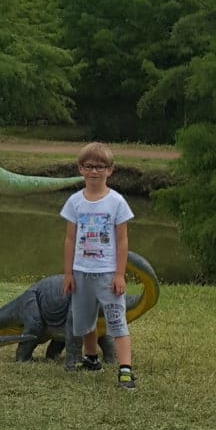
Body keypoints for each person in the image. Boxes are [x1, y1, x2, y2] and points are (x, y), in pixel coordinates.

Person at [60, 142, 137, 390]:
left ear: (110, 170)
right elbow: (70, 238)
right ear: (81, 169)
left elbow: (122, 240)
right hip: (81, 271)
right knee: (84, 321)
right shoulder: (74, 202)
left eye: (100, 167)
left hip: (107, 273)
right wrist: (68, 273)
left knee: (116, 321)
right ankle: (92, 359)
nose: (94, 171)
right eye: (89, 166)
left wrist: (119, 274)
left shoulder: (117, 202)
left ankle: (125, 369)